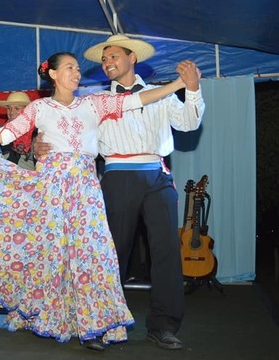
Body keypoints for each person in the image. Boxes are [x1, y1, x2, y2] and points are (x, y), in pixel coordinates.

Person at [0, 52, 188, 350]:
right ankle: (55, 315)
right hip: (51, 188)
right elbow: (3, 135)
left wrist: (177, 85)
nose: (77, 73)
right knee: (53, 255)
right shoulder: (39, 108)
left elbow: (139, 100)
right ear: (53, 74)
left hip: (86, 189)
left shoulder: (94, 103)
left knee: (93, 255)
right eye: (69, 68)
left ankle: (93, 325)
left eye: (78, 69)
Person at [36, 35, 203, 350]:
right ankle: (100, 324)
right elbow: (63, 129)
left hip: (157, 174)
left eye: (113, 56)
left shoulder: (162, 94)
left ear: (131, 58)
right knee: (110, 254)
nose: (107, 62)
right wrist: (37, 143)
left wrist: (192, 89)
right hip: (116, 176)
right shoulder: (92, 102)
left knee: (167, 252)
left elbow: (188, 124)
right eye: (103, 59)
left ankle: (163, 325)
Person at [0, 91, 36, 170]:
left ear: (27, 111)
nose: (12, 112)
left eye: (17, 108)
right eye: (9, 108)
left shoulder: (37, 134)